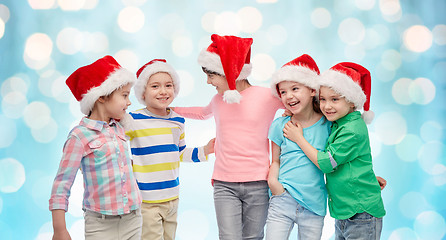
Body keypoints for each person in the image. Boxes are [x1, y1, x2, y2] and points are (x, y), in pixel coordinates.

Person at [173, 34, 284, 240]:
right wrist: (169, 109)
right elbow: (201, 113)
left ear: (229, 72)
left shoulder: (267, 96)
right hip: (225, 184)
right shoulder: (218, 99)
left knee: (254, 237)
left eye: (211, 75)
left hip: (259, 182)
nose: (208, 81)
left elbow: (296, 105)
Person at [283, 62, 386, 240]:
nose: (327, 106)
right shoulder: (340, 121)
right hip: (346, 210)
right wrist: (294, 112)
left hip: (361, 213)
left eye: (335, 99)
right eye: (323, 99)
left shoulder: (351, 130)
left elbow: (326, 163)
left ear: (352, 101)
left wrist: (298, 138)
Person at [49, 55, 142, 240]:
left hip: (133, 219)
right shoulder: (79, 136)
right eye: (124, 95)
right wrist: (59, 229)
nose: (129, 102)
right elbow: (62, 184)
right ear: (101, 96)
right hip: (100, 225)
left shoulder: (121, 127)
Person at [121, 59, 215, 240]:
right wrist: (125, 164)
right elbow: (115, 144)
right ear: (143, 92)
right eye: (155, 86)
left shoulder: (178, 120)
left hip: (172, 196)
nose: (163, 91)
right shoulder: (133, 119)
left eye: (168, 85)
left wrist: (205, 150)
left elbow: (179, 152)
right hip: (146, 199)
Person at [266, 54, 330, 240]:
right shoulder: (280, 125)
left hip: (314, 203)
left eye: (295, 89)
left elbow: (337, 159)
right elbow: (275, 159)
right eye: (283, 92)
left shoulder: (328, 125)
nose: (288, 96)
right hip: (282, 198)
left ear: (312, 90)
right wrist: (273, 183)